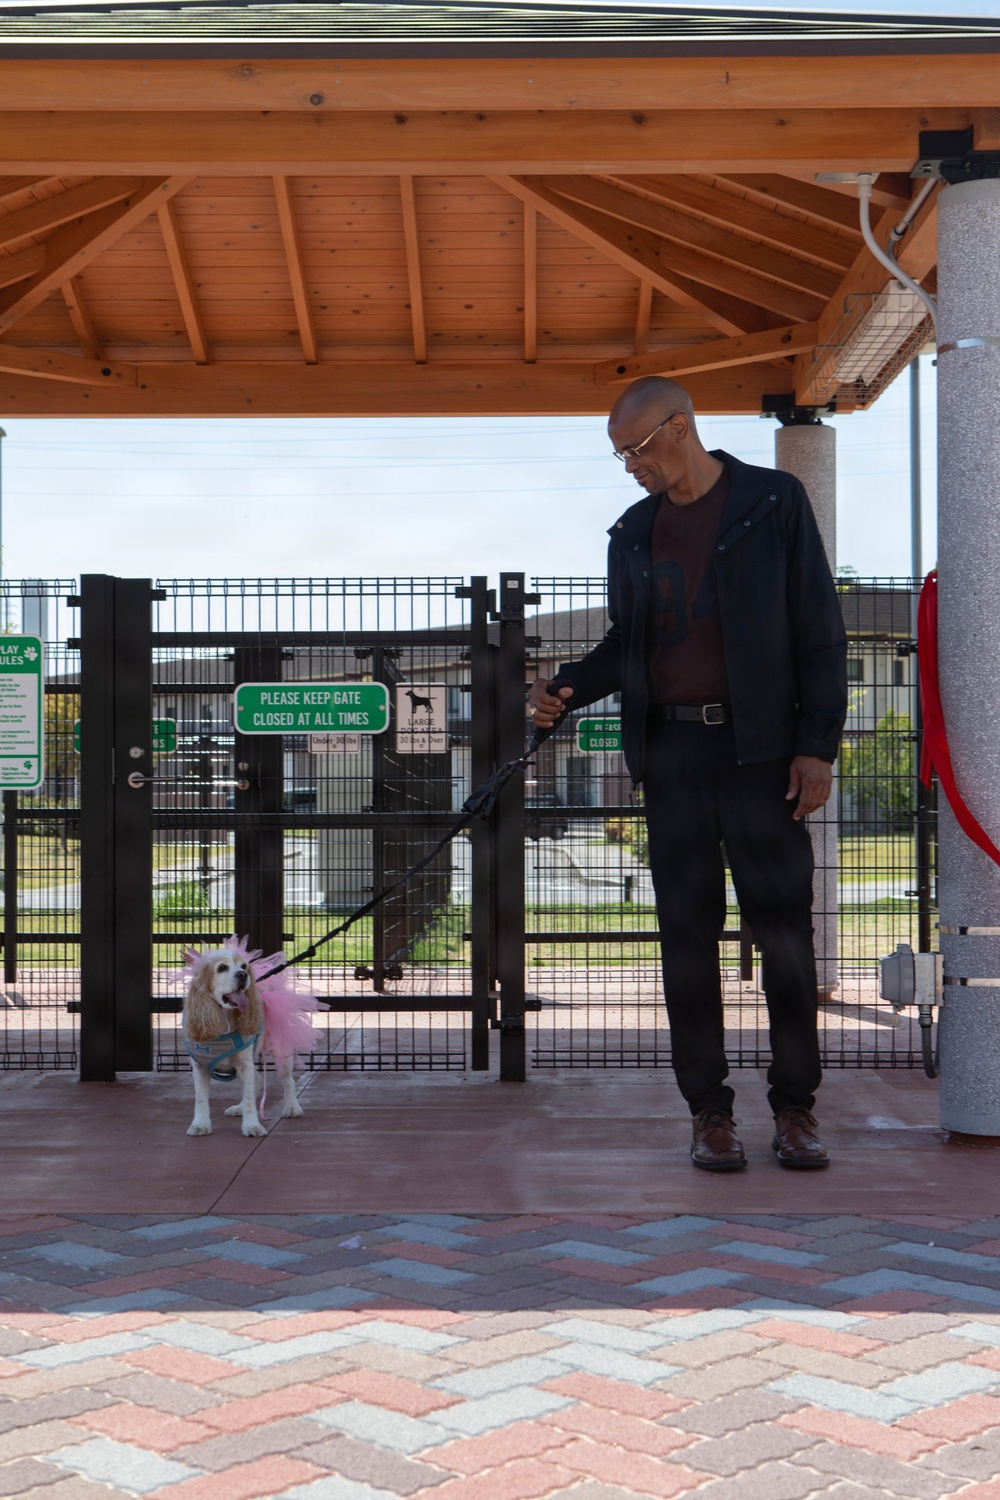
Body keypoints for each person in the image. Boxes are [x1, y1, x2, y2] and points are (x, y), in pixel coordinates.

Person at [528, 377, 847, 1172]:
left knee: (784, 940)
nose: (628, 468)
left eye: (634, 450)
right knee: (686, 946)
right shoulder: (632, 533)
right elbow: (624, 645)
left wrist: (817, 745)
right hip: (670, 760)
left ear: (679, 427)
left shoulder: (775, 504)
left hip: (764, 758)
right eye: (620, 456)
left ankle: (796, 1109)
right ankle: (709, 1113)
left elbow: (820, 630)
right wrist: (564, 690)